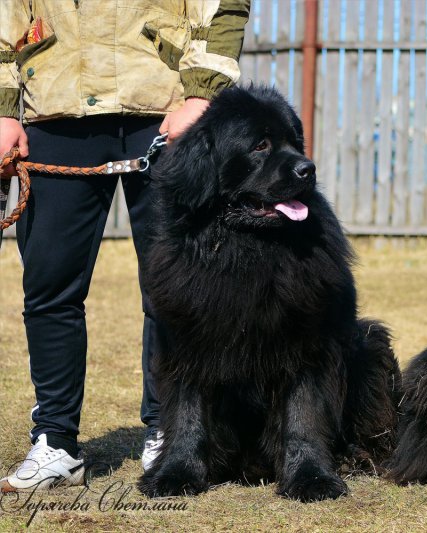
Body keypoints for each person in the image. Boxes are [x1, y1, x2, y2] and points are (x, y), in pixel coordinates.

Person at [0, 1, 251, 491]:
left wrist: (201, 96)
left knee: (173, 287)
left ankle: (171, 430)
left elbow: (224, 5)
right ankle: (55, 441)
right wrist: (2, 110)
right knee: (49, 286)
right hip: (52, 107)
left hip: (164, 107)